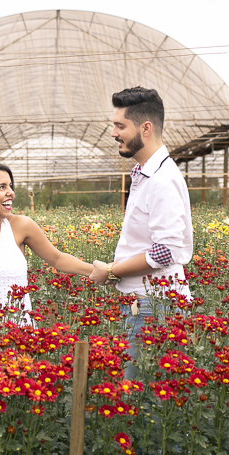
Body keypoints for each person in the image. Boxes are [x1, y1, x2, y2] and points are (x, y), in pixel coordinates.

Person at [90, 87, 194, 373]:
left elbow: (165, 251)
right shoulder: (145, 173)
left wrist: (111, 271)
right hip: (146, 301)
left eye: (120, 126)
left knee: (140, 393)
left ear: (145, 128)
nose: (113, 133)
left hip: (155, 305)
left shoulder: (162, 179)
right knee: (139, 389)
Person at [0, 162, 93, 324]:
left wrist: (105, 271)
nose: (11, 193)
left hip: (17, 332)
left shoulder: (21, 226)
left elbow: (58, 259)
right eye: (1, 187)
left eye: (10, 186)